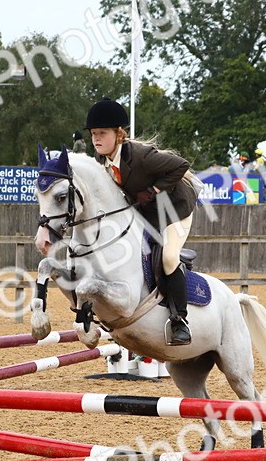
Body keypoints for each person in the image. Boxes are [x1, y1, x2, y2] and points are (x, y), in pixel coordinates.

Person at [84, 97, 199, 345]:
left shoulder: (142, 156)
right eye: (94, 133)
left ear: (119, 134)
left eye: (102, 133)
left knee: (168, 256)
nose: (96, 138)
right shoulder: (101, 161)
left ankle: (180, 321)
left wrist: (155, 189)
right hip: (147, 214)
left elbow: (181, 165)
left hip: (175, 210)